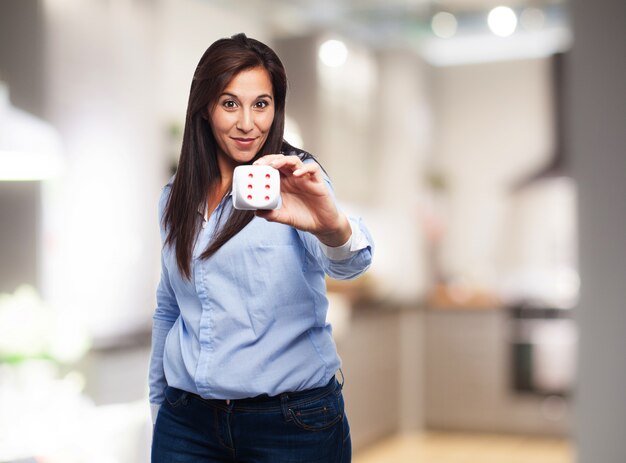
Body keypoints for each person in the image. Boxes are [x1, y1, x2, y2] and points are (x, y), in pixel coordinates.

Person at [149, 33, 374, 463]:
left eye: (261, 104)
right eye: (230, 103)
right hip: (188, 422)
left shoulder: (293, 182)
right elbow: (169, 308)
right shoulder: (175, 197)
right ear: (205, 108)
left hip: (291, 425)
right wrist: (159, 408)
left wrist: (331, 225)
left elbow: (350, 264)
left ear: (276, 108)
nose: (247, 123)